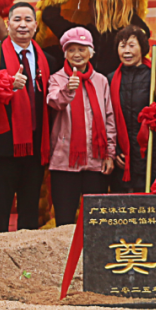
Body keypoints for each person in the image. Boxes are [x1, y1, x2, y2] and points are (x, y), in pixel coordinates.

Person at [0, 2, 53, 232]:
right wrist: (9, 84)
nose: (23, 25)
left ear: (35, 25)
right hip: (3, 146)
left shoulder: (46, 59)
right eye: (17, 19)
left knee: (30, 209)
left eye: (28, 20)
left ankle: (27, 252)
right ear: (7, 24)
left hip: (36, 145)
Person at [46, 27, 116, 225]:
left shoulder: (101, 81)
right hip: (64, 162)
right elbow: (53, 102)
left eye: (82, 49)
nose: (77, 54)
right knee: (64, 221)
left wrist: (110, 154)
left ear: (91, 52)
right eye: (71, 50)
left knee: (95, 222)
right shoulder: (57, 78)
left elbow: (109, 119)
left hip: (96, 162)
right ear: (65, 54)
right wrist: (68, 90)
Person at [108, 24, 156, 193]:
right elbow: (108, 118)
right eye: (122, 46)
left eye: (132, 45)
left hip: (153, 152)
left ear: (142, 49)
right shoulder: (110, 79)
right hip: (123, 156)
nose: (127, 51)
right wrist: (115, 151)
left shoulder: (154, 75)